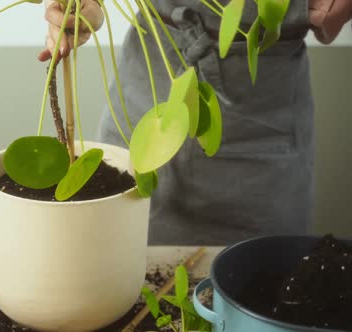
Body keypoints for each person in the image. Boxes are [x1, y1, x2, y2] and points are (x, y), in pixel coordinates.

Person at [39, 0, 352, 245]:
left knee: (255, 282)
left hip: (261, 110)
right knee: (118, 266)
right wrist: (84, 8)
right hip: (147, 84)